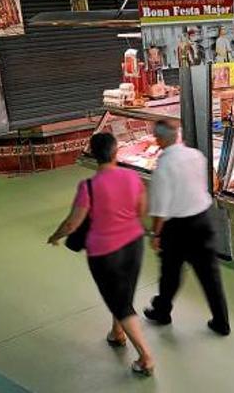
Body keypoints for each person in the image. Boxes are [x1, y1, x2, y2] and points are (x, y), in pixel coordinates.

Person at [47, 133, 155, 377]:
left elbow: (72, 224)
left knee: (120, 302)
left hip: (105, 252)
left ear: (94, 156)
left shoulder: (89, 188)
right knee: (123, 292)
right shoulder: (132, 177)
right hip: (134, 245)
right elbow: (142, 209)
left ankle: (146, 357)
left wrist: (55, 237)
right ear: (116, 151)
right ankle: (117, 333)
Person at [144, 120, 230, 336]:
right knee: (210, 276)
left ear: (160, 140)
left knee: (170, 273)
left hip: (177, 228)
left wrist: (156, 234)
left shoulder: (163, 167)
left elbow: (160, 209)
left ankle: (162, 311)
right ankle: (221, 321)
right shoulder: (196, 156)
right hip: (202, 221)